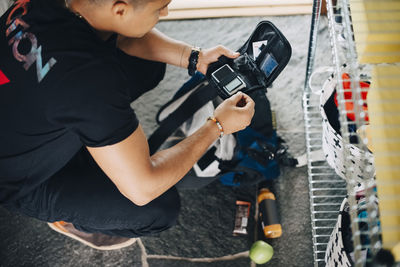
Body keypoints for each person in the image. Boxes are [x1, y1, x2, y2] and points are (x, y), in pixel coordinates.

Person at [0, 0, 255, 250]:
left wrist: (195, 57)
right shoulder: (91, 83)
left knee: (147, 65)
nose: (166, 12)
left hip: (26, 112)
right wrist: (217, 126)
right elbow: (143, 187)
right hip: (22, 180)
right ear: (119, 9)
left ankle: (95, 135)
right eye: (160, 7)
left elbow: (121, 36)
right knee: (158, 209)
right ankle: (73, 219)